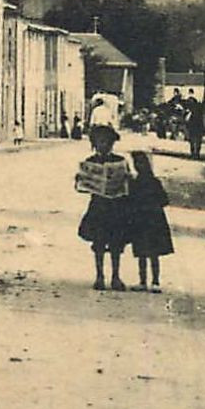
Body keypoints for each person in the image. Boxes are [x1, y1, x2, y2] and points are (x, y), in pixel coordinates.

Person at [76, 124, 133, 291]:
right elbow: (81, 187)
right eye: (100, 142)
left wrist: (127, 179)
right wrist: (81, 179)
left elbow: (128, 182)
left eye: (107, 142)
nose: (104, 145)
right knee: (99, 242)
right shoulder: (90, 162)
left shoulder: (120, 161)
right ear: (94, 143)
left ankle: (116, 276)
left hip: (116, 206)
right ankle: (99, 276)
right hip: (99, 207)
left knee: (116, 242)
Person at [127, 151, 175, 292]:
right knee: (143, 253)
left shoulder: (152, 183)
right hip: (147, 220)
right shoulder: (137, 183)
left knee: (152, 254)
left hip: (151, 220)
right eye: (136, 163)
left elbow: (164, 200)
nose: (138, 166)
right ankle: (144, 281)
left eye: (141, 163)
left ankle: (154, 281)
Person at [186, 91, 205, 159]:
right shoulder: (199, 109)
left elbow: (187, 120)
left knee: (193, 141)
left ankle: (194, 154)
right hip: (197, 126)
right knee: (197, 141)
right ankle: (196, 154)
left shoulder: (190, 111)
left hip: (195, 126)